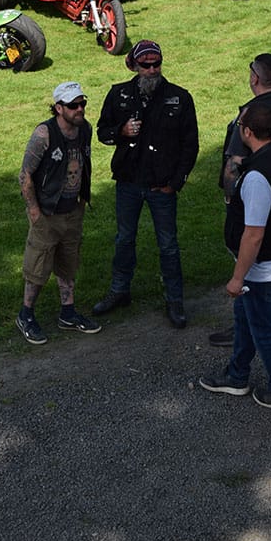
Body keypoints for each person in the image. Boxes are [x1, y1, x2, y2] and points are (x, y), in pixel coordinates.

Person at [199, 101, 271, 413]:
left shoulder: (257, 176)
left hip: (262, 270)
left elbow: (253, 235)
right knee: (245, 319)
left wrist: (237, 278)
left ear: (247, 132)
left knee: (265, 332)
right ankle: (237, 375)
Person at [93, 40, 199, 329]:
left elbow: (190, 145)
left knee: (168, 245)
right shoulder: (118, 94)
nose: (152, 70)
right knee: (124, 239)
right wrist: (121, 131)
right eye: (146, 65)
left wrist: (175, 183)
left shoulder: (180, 97)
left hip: (162, 186)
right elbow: (102, 132)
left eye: (156, 64)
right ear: (134, 66)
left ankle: (174, 300)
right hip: (128, 182)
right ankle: (119, 291)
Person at [209, 53, 271, 348]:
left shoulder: (248, 117)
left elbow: (234, 164)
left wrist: (231, 202)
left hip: (254, 197)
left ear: (254, 78)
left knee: (251, 266)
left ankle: (249, 328)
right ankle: (269, 321)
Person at [16, 82, 101, 345]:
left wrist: (82, 200)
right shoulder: (44, 134)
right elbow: (25, 175)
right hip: (47, 213)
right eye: (73, 105)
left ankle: (68, 312)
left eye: (82, 103)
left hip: (72, 210)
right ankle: (26, 314)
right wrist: (34, 212)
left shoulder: (84, 129)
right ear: (58, 108)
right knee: (38, 267)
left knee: (68, 263)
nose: (80, 109)